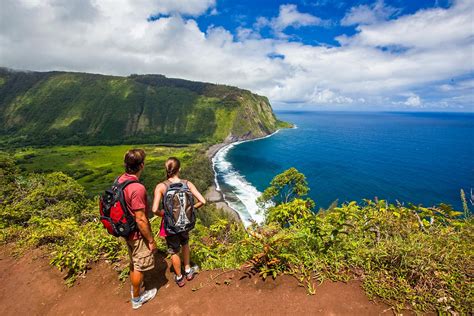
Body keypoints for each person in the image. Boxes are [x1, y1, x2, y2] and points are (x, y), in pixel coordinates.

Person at [152, 157, 206, 287]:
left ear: (167, 170)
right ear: (179, 169)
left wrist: (164, 214)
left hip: (171, 225)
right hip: (185, 222)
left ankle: (179, 277)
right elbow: (203, 201)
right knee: (185, 243)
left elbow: (154, 209)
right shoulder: (187, 183)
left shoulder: (161, 186)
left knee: (173, 250)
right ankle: (188, 271)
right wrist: (189, 209)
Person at [119, 149, 157, 309]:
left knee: (134, 261)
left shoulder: (120, 180)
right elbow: (141, 219)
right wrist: (150, 240)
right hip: (136, 234)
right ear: (142, 165)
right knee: (140, 265)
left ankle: (135, 289)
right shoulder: (137, 188)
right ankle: (136, 299)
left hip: (125, 230)